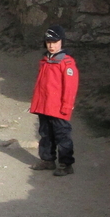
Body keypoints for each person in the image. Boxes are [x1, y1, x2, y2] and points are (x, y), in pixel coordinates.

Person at [29, 24, 79, 177]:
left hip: (58, 108)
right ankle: (47, 160)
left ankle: (66, 164)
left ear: (61, 42)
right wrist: (37, 104)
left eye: (55, 42)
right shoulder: (45, 61)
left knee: (62, 135)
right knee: (45, 134)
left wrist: (67, 106)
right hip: (44, 106)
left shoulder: (66, 63)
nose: (51, 46)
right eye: (48, 42)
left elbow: (70, 88)